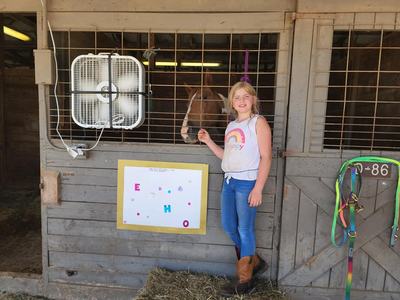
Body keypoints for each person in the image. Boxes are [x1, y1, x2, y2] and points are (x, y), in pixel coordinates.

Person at [198, 81, 272, 295]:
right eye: (237, 97)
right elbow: (227, 156)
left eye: (246, 96)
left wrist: (258, 188)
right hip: (229, 182)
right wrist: (209, 141)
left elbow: (266, 157)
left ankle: (244, 281)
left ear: (253, 100)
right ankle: (254, 262)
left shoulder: (258, 123)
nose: (241, 101)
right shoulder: (231, 126)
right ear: (231, 102)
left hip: (247, 183)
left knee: (245, 228)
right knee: (229, 226)